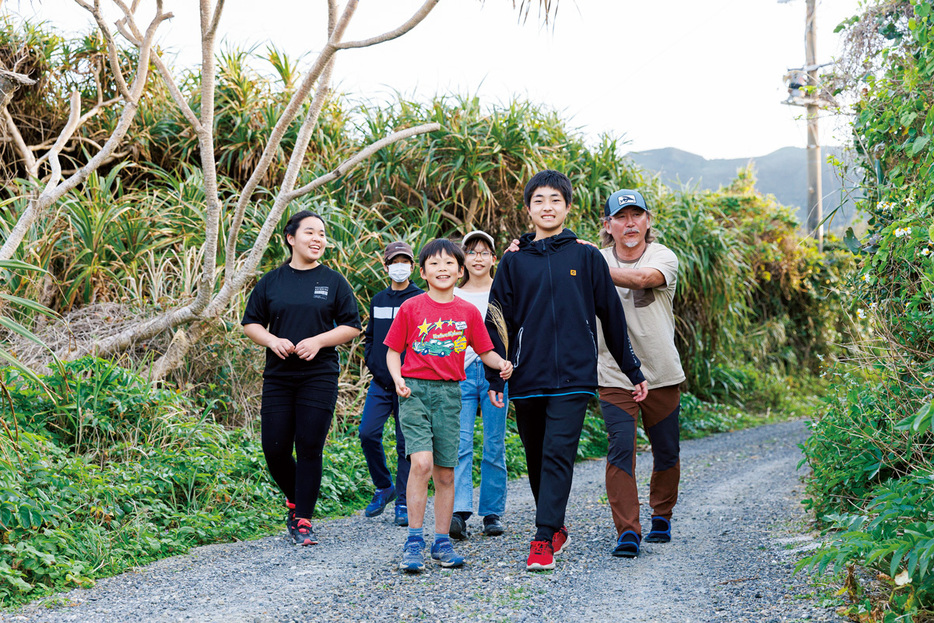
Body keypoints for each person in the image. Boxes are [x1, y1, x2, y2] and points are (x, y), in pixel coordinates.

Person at [484, 169, 648, 572]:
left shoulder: (586, 255)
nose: (547, 207)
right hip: (526, 375)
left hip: (575, 375)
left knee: (558, 453)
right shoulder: (513, 261)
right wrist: (495, 374)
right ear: (528, 210)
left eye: (555, 200)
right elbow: (496, 318)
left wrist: (632, 369)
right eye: (539, 200)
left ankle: (542, 538)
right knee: (538, 456)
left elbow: (610, 315)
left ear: (567, 207)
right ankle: (554, 526)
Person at [384, 239, 513, 573]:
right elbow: (393, 350)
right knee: (422, 464)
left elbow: (485, 351)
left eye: (449, 264)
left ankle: (441, 541)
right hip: (414, 392)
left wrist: (501, 364)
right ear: (423, 271)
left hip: (450, 395)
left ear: (460, 270)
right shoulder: (411, 307)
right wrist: (398, 379)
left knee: (444, 471)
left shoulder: (468, 312)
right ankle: (414, 541)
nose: (442, 269)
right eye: (434, 264)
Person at [242, 210, 362, 546]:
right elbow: (251, 322)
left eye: (322, 234)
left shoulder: (333, 281)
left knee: (309, 446)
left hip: (319, 375)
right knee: (275, 449)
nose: (318, 239)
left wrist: (319, 340)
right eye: (310, 232)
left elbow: (351, 325)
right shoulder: (272, 281)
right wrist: (272, 340)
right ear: (290, 238)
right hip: (279, 376)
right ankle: (297, 497)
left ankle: (303, 519)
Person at [596, 189, 685, 558]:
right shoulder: (595, 258)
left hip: (661, 371)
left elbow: (644, 278)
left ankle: (661, 514)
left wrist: (592, 269)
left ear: (648, 221)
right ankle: (627, 531)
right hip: (614, 373)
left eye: (637, 215)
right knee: (620, 450)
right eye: (621, 217)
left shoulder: (662, 256)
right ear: (608, 226)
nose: (629, 223)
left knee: (666, 451)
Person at [359, 241, 423, 527]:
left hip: (409, 384)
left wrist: (408, 374)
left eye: (404, 261)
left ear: (412, 266)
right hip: (381, 384)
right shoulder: (378, 300)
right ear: (386, 267)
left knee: (404, 444)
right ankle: (384, 486)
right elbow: (370, 338)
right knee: (367, 433)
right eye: (393, 262)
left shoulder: (420, 299)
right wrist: (375, 364)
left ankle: (403, 502)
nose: (400, 266)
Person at [450, 230, 508, 540]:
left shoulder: (502, 293)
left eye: (484, 252)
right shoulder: (454, 294)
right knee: (460, 444)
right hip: (459, 374)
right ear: (463, 259)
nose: (478, 258)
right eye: (471, 252)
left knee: (494, 443)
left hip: (495, 375)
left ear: (493, 259)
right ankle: (459, 511)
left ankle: (491, 512)